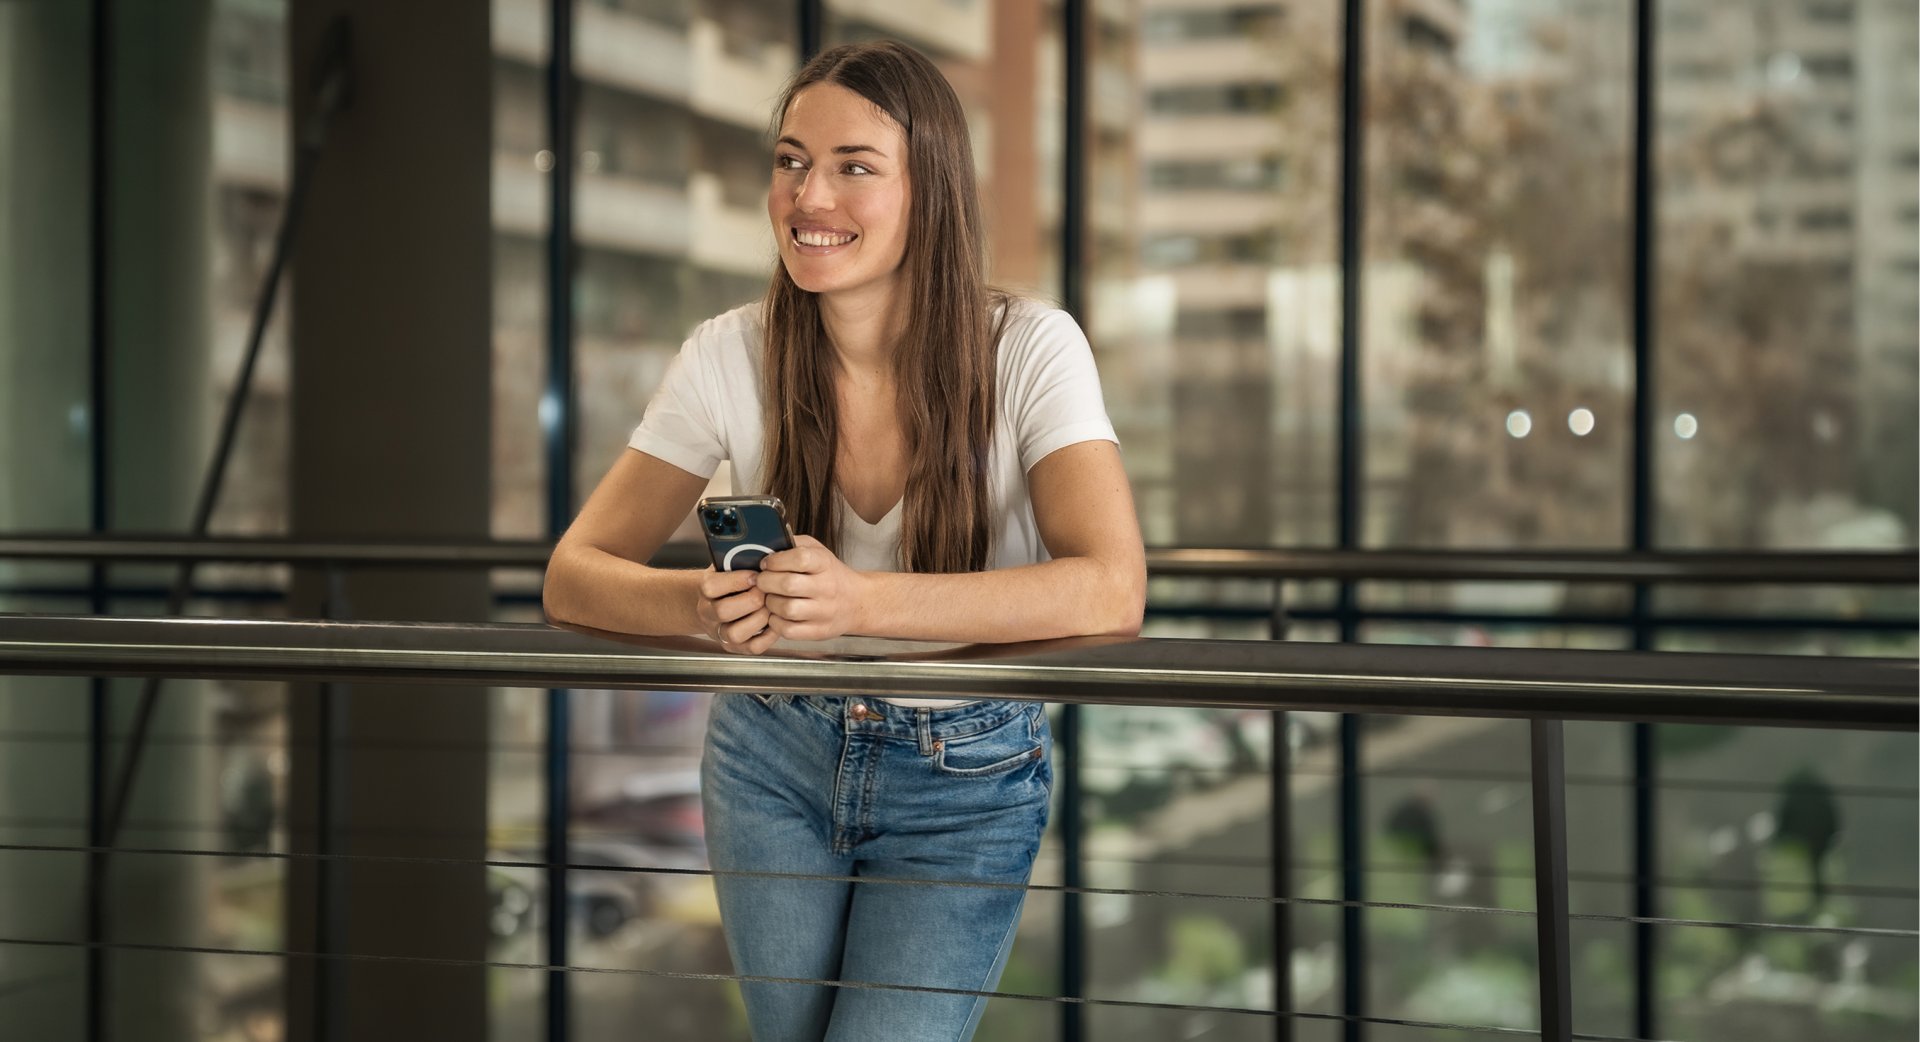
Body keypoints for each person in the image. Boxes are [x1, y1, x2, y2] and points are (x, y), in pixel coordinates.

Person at [543, 39, 1145, 1042]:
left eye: (854, 167)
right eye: (789, 160)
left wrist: (861, 605)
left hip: (966, 777)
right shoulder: (726, 354)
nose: (808, 195)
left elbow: (1111, 587)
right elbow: (573, 574)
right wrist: (697, 606)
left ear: (931, 189)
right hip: (769, 753)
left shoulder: (1034, 351)